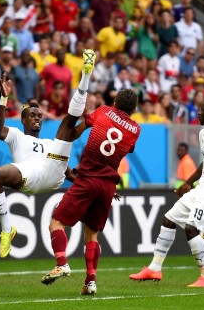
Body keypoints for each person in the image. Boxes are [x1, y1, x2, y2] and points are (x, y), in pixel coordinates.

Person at [0, 49, 97, 258]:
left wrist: (98, 188)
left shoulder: (49, 144)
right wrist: (4, 98)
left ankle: (85, 89)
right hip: (29, 174)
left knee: (65, 134)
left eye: (40, 115)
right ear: (23, 120)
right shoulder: (17, 135)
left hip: (51, 175)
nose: (37, 118)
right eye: (32, 115)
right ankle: (6, 230)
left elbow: (70, 174)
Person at [129, 98, 204, 287]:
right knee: (169, 219)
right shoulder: (202, 134)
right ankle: (154, 268)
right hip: (201, 188)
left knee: (191, 228)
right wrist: (187, 184)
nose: (198, 113)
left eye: (202, 110)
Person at [40, 88, 141, 296]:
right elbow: (121, 148)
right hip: (107, 186)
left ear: (115, 102)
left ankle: (62, 264)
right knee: (92, 233)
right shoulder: (135, 130)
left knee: (56, 223)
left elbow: (76, 132)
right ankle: (90, 281)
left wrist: (63, 142)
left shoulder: (103, 111)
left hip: (87, 179)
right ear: (134, 109)